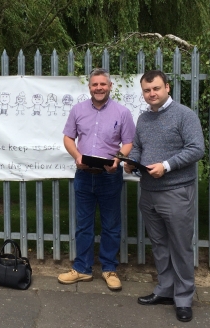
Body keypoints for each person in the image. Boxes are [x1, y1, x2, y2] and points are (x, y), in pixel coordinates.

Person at [123, 70, 204, 322]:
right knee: (159, 246)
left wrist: (166, 166)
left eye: (156, 88)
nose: (152, 94)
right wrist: (132, 162)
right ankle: (165, 290)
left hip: (176, 191)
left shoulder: (184, 115)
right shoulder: (144, 118)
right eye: (147, 90)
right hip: (148, 192)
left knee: (180, 247)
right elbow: (138, 147)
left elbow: (196, 149)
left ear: (167, 88)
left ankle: (184, 298)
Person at [58, 68, 135, 290]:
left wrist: (119, 159)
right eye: (95, 84)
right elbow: (68, 137)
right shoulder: (78, 110)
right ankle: (82, 269)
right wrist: (77, 156)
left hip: (109, 176)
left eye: (103, 84)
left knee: (111, 225)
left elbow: (128, 141)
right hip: (84, 175)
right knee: (84, 225)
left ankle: (109, 269)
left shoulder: (122, 113)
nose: (99, 88)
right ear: (89, 87)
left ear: (110, 86)